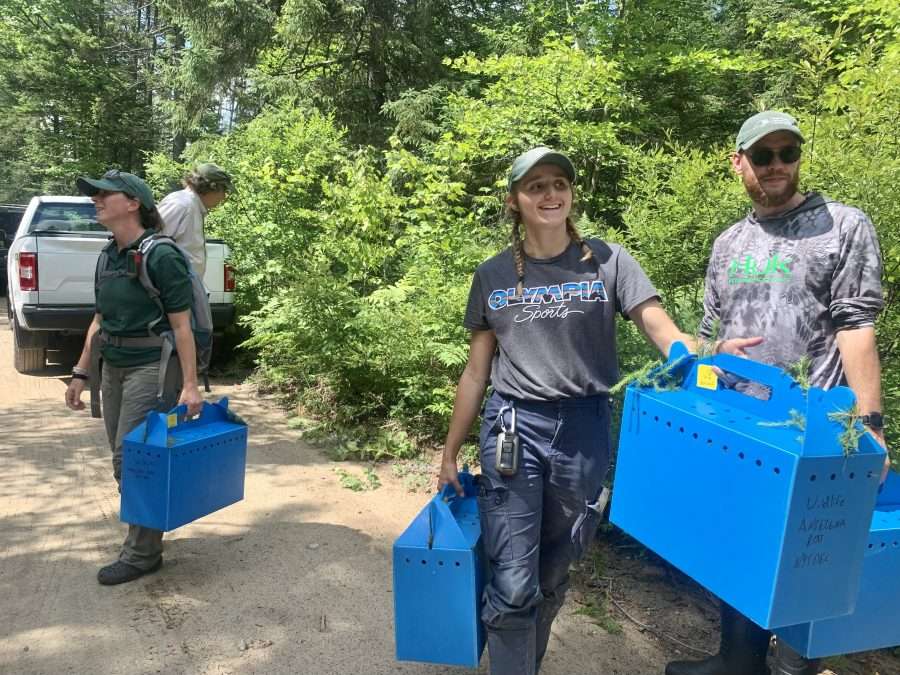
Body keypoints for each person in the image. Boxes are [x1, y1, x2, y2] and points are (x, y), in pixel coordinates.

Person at [438, 147, 756, 675]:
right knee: (514, 583)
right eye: (535, 186)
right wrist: (451, 452)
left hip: (585, 431)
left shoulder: (609, 261)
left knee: (552, 573)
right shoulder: (492, 276)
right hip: (513, 429)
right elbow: (476, 372)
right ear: (515, 200)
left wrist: (700, 352)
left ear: (571, 194)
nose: (550, 194)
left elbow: (662, 329)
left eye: (558, 183)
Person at [665, 111, 891, 675]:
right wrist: (709, 358)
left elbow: (857, 325)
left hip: (811, 425)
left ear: (798, 158)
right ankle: (735, 660)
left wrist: (869, 423)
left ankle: (791, 667)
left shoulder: (842, 226)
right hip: (737, 419)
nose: (775, 166)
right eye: (762, 155)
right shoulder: (728, 242)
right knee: (736, 544)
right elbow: (709, 334)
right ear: (738, 162)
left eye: (786, 153)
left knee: (807, 559)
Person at [65, 170, 203, 586]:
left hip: (151, 368)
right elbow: (100, 320)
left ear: (133, 204)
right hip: (114, 367)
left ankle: (143, 553)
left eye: (105, 195)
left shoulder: (162, 255)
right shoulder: (108, 255)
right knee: (124, 460)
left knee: (134, 460)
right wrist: (81, 370)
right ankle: (148, 533)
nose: (97, 201)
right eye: (95, 196)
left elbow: (183, 326)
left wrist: (190, 385)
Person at [156, 163, 233, 279]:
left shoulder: (193, 206)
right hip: (170, 288)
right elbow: (151, 245)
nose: (224, 197)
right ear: (213, 187)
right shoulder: (181, 205)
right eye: (224, 190)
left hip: (183, 287)